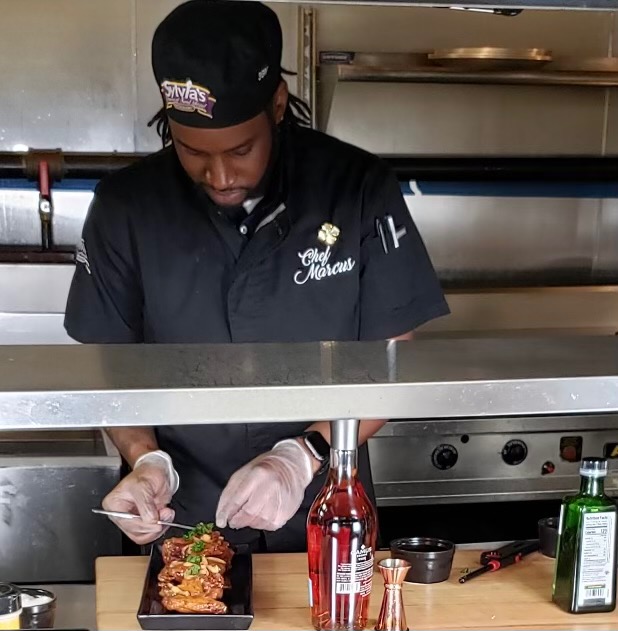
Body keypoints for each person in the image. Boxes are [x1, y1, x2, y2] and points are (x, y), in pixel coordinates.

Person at [64, 0, 450, 553]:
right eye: (191, 150)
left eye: (240, 150)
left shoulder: (354, 187)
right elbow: (105, 363)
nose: (219, 175)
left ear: (276, 104)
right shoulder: (127, 207)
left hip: (323, 501)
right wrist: (145, 461)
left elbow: (393, 358)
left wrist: (300, 458)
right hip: (182, 509)